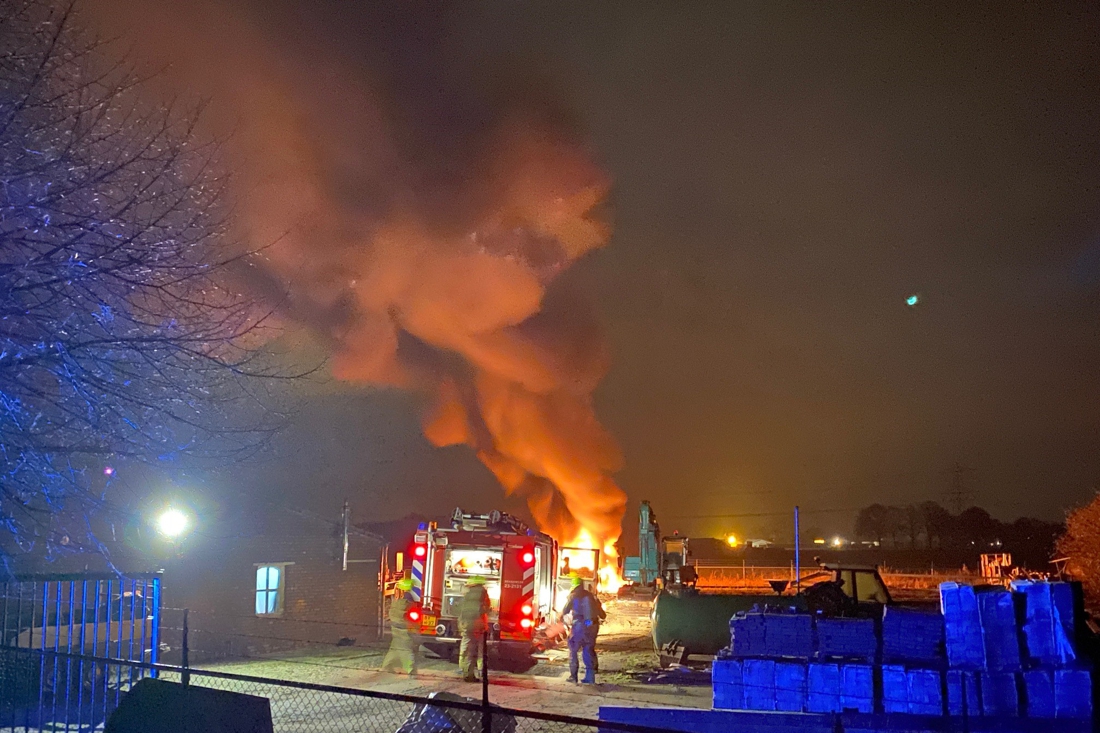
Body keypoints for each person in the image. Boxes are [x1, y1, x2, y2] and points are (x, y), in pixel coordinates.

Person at [562, 576, 605, 684]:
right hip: (592, 624)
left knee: (573, 650)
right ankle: (590, 678)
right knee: (588, 649)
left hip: (581, 624)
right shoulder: (592, 596)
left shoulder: (573, 596)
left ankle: (573, 676)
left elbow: (564, 611)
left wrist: (561, 619)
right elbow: (603, 615)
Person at [381, 577, 418, 675]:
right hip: (403, 628)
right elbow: (412, 617)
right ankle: (410, 668)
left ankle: (387, 666)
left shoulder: (396, 601)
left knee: (395, 647)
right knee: (405, 648)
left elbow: (390, 613)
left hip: (395, 626)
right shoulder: (408, 603)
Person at [457, 576, 491, 682]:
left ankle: (465, 671)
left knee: (467, 649)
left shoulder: (468, 594)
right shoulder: (483, 593)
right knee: (480, 650)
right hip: (479, 625)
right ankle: (478, 672)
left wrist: (461, 625)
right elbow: (487, 607)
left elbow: (461, 610)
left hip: (467, 625)